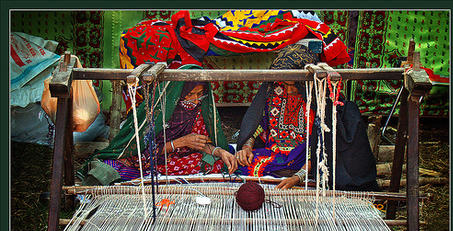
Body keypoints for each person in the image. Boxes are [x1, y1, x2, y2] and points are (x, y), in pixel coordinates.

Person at [78, 65, 237, 184]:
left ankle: (152, 179)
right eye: (190, 95)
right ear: (179, 93)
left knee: (216, 163)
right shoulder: (157, 110)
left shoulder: (197, 112)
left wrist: (220, 152)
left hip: (174, 160)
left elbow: (198, 143)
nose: (196, 101)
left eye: (200, 95)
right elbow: (140, 149)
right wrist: (179, 143)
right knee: (111, 170)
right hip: (143, 160)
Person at [236, 44, 319, 189]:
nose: (288, 89)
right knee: (238, 163)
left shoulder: (313, 101)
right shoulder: (275, 90)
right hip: (275, 155)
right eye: (285, 84)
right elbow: (261, 123)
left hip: (304, 159)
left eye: (294, 85)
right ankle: (282, 171)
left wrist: (298, 177)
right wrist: (247, 145)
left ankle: (289, 172)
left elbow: (318, 146)